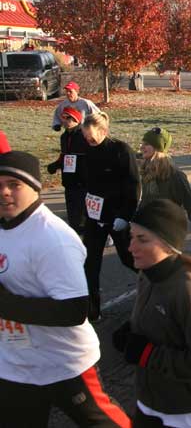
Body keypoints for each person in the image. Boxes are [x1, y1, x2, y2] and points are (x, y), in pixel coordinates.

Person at [0, 150, 131, 428]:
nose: (5, 193)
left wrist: (5, 305)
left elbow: (73, 310)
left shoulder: (52, 238)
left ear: (35, 188)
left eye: (14, 185)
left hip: (62, 363)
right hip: (15, 364)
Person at [114, 199, 191, 427]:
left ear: (168, 245)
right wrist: (132, 330)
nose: (131, 247)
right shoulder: (147, 274)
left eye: (142, 239)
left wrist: (147, 354)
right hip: (151, 405)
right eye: (132, 237)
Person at [82, 111, 140, 321]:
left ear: (104, 132)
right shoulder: (86, 150)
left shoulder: (121, 151)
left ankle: (155, 283)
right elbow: (85, 181)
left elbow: (133, 185)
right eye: (85, 137)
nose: (89, 141)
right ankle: (92, 309)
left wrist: (125, 215)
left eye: (92, 137)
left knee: (127, 257)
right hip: (94, 215)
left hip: (117, 215)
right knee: (90, 262)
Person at [138, 127, 191, 253]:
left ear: (158, 147)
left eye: (146, 144)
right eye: (142, 143)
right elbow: (146, 202)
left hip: (168, 233)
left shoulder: (175, 175)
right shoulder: (147, 170)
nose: (141, 147)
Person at [46, 106, 89, 234]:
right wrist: (56, 165)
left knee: (82, 212)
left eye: (67, 118)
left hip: (82, 180)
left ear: (76, 119)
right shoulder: (64, 136)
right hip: (69, 180)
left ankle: (85, 234)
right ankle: (74, 230)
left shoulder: (83, 135)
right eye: (63, 117)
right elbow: (65, 155)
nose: (64, 120)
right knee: (72, 212)